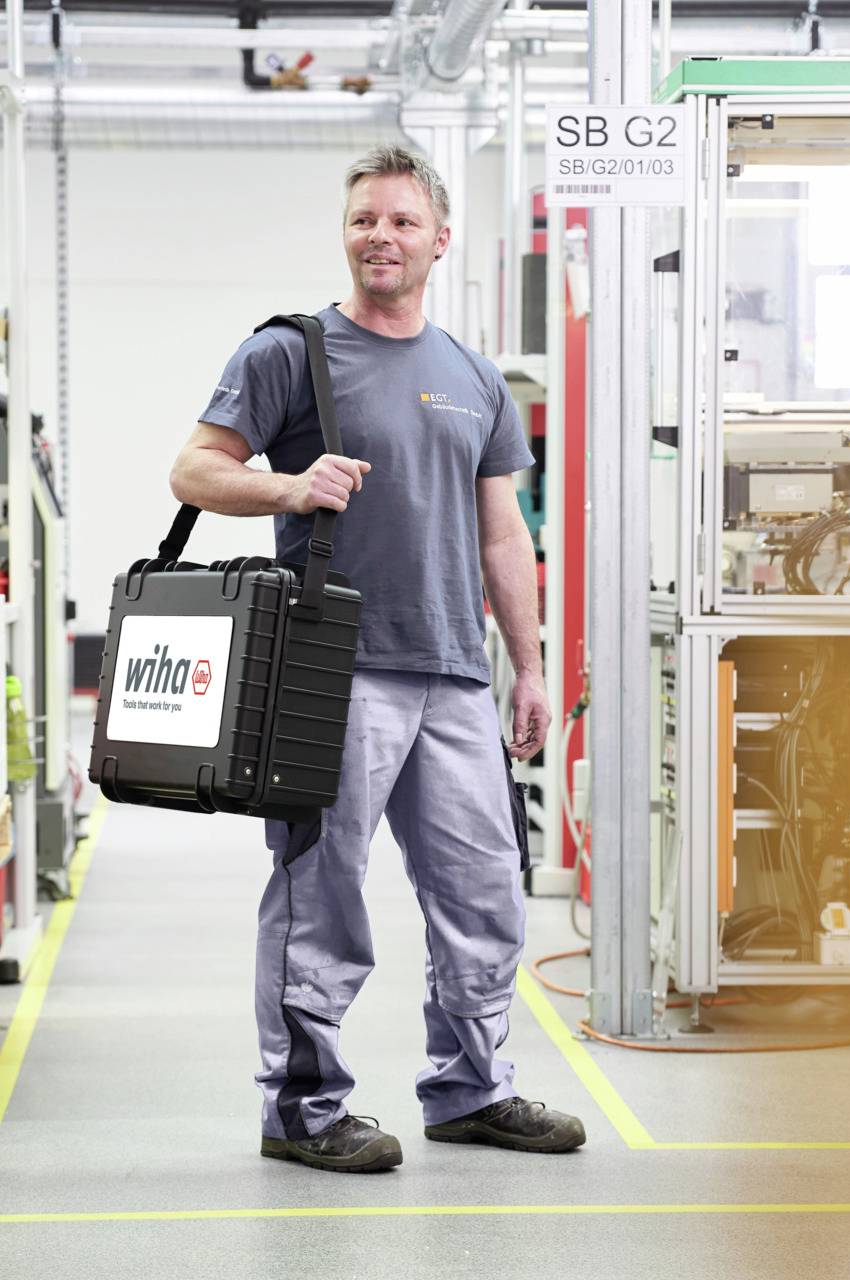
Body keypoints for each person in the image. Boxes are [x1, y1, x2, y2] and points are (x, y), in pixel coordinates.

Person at [170, 145, 586, 1174]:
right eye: (364, 220)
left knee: (486, 890)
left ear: (441, 238)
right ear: (345, 233)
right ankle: (304, 1107)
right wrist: (290, 487)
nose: (380, 237)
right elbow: (194, 467)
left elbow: (503, 537)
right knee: (324, 892)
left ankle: (471, 1087)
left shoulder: (475, 375)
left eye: (402, 221)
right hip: (331, 667)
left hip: (453, 669)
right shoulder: (290, 351)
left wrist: (529, 667)